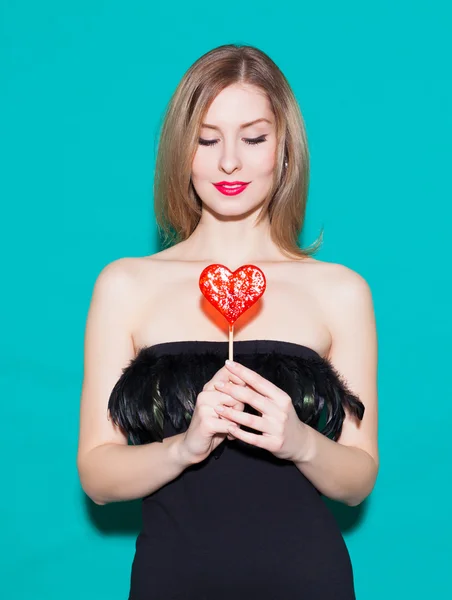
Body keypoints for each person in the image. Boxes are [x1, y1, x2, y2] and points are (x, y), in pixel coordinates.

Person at [76, 44, 379, 599]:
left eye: (254, 138)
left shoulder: (341, 290)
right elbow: (97, 476)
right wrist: (184, 447)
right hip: (171, 581)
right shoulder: (125, 284)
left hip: (308, 581)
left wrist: (299, 441)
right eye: (208, 139)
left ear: (284, 149)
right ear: (180, 151)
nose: (230, 162)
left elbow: (358, 480)